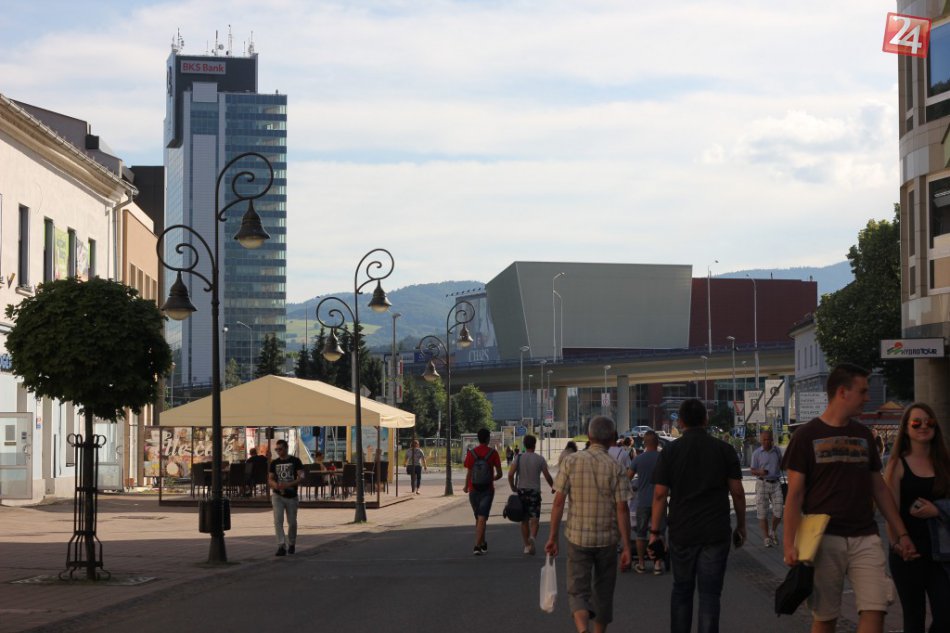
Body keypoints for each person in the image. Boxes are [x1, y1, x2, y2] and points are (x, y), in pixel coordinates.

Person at [783, 363, 918, 633]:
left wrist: (902, 534)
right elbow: (795, 495)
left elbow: (879, 489)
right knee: (826, 617)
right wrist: (789, 544)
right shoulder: (806, 436)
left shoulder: (864, 434)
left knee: (876, 607)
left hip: (865, 536)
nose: (867, 397)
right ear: (842, 392)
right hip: (823, 538)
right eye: (863, 391)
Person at [650, 398, 745, 633]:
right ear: (706, 419)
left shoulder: (670, 451)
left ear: (680, 422)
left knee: (682, 591)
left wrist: (655, 532)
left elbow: (660, 495)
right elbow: (737, 492)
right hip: (715, 531)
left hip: (682, 531)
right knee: (710, 595)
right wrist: (741, 525)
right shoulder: (724, 449)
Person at [545, 416, 632, 633]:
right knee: (603, 592)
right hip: (607, 540)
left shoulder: (571, 461)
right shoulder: (616, 467)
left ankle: (583, 629)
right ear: (612, 439)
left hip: (577, 538)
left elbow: (558, 502)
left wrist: (553, 536)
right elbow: (622, 508)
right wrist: (627, 546)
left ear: (589, 436)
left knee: (578, 591)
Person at [883, 402, 950, 633]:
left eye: (929, 422)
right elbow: (890, 511)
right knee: (914, 620)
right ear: (906, 428)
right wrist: (897, 544)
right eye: (916, 423)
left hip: (941, 553)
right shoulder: (897, 465)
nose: (923, 426)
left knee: (946, 616)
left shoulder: (945, 463)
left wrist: (938, 510)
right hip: (909, 552)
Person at [508, 434, 554, 555]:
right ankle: (532, 536)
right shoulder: (540, 459)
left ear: (524, 444)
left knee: (524, 520)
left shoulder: (518, 458)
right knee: (535, 519)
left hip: (521, 492)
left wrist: (513, 486)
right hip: (534, 492)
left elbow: (510, 474)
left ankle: (527, 545)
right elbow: (547, 476)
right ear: (534, 445)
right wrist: (553, 487)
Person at [463, 428, 503, 555]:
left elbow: (469, 472)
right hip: (487, 490)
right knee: (482, 517)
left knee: (479, 517)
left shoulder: (471, 453)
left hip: (473, 489)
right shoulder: (493, 453)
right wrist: (492, 478)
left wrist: (466, 486)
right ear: (488, 439)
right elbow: (500, 474)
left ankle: (482, 543)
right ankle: (477, 546)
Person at [631, 430, 664, 574]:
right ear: (657, 443)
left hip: (642, 501)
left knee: (641, 533)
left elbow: (627, 477)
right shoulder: (663, 458)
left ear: (644, 443)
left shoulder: (638, 459)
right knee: (659, 532)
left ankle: (641, 563)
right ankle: (657, 564)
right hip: (660, 501)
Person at [268, 439, 305, 556]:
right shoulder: (274, 463)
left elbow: (302, 477)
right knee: (278, 521)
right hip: (277, 495)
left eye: (280, 449)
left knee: (292, 522)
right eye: (276, 449)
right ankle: (281, 546)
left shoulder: (296, 461)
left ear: (286, 448)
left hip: (291, 496)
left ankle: (292, 543)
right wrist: (275, 485)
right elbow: (270, 478)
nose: (278, 451)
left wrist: (288, 484)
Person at [749, 428, 783, 547]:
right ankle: (766, 538)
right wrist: (760, 472)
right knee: (762, 512)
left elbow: (782, 465)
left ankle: (772, 531)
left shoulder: (777, 451)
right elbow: (752, 470)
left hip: (776, 483)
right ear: (761, 440)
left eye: (769, 439)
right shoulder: (756, 453)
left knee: (779, 511)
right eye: (764, 439)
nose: (767, 441)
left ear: (772, 440)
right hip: (762, 483)